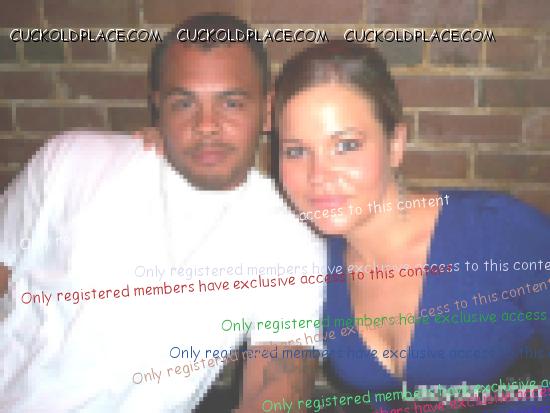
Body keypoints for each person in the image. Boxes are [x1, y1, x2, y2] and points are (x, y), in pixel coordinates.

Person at [0, 14, 324, 412]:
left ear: (268, 109)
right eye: (184, 103)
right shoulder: (71, 160)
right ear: (158, 106)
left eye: (231, 103)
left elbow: (276, 391)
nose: (207, 126)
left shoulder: (288, 241)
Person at [270, 41, 550, 412]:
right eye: (296, 151)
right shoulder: (317, 266)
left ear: (395, 144)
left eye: (346, 145)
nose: (318, 175)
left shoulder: (497, 232)